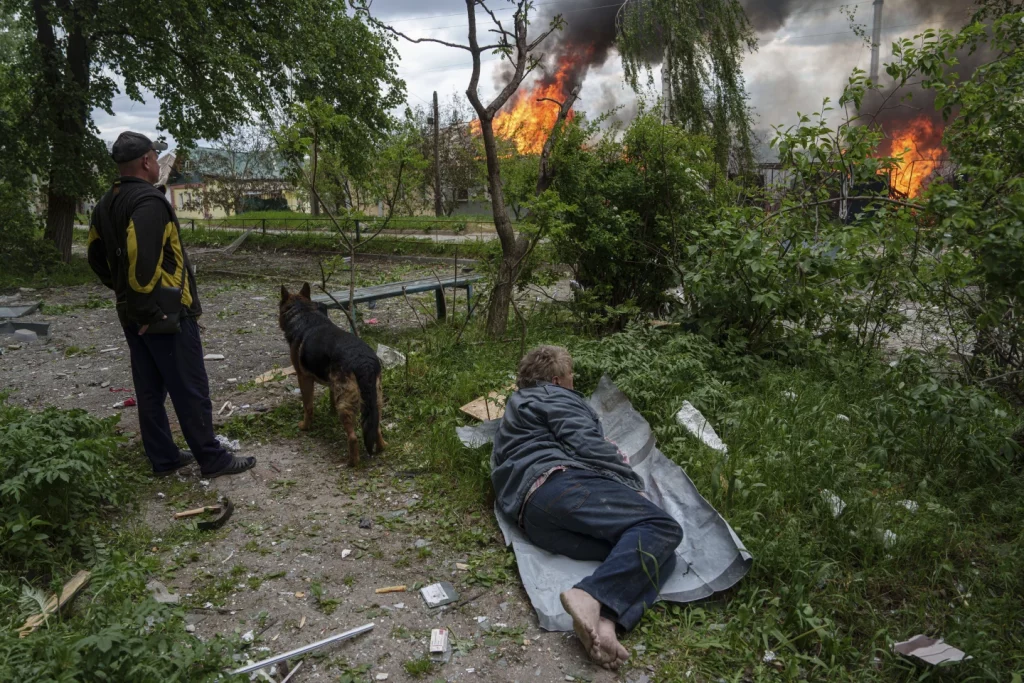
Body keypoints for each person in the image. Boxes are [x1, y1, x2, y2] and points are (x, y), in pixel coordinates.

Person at [491, 345, 683, 670]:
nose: (574, 382)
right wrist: (632, 486)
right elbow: (586, 441)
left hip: (535, 518)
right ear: (556, 379)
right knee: (661, 527)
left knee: (658, 554)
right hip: (558, 486)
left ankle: (606, 621)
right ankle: (587, 594)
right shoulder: (555, 396)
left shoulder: (519, 406)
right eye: (571, 376)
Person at [87, 131, 256, 479]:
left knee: (150, 389)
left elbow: (96, 256)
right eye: (155, 155)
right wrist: (151, 310)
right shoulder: (149, 202)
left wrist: (121, 292)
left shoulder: (106, 203)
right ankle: (212, 458)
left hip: (133, 313)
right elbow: (141, 260)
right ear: (148, 161)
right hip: (165, 315)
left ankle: (163, 458)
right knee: (190, 386)